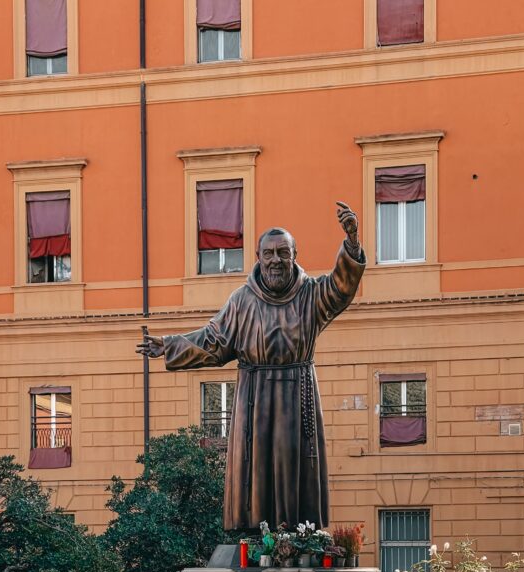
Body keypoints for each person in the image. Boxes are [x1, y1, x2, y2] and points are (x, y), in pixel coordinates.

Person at [137, 201, 365, 531]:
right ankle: (256, 536)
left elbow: (341, 289)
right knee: (254, 470)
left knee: (293, 465)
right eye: (269, 253)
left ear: (294, 256)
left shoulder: (311, 295)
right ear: (258, 257)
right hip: (253, 397)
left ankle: (296, 536)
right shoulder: (241, 301)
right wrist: (168, 345)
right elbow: (213, 342)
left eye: (282, 253)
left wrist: (353, 241)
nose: (276, 260)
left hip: (296, 394)